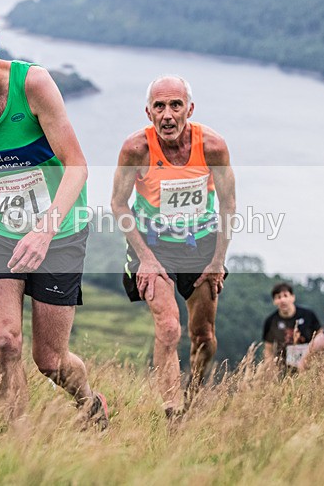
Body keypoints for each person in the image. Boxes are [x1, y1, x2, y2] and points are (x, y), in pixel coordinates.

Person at [0, 1, 107, 428]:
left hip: (59, 232)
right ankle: (18, 443)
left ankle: (90, 404)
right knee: (4, 341)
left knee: (50, 360)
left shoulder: (33, 85)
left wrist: (44, 231)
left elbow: (77, 166)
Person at [111, 75, 236, 417]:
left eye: (175, 105)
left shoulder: (212, 146)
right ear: (148, 112)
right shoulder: (136, 148)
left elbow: (228, 203)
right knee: (168, 328)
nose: (167, 115)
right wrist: (146, 259)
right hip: (153, 247)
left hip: (201, 246)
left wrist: (218, 260)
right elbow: (119, 204)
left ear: (189, 109)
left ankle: (194, 396)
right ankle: (173, 414)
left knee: (204, 337)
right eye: (159, 106)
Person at [262, 282, 322, 372]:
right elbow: (268, 349)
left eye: (285, 296)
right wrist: (270, 369)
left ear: (293, 297)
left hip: (310, 363)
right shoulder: (271, 321)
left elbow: (320, 335)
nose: (282, 300)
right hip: (284, 368)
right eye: (278, 297)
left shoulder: (308, 315)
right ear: (274, 301)